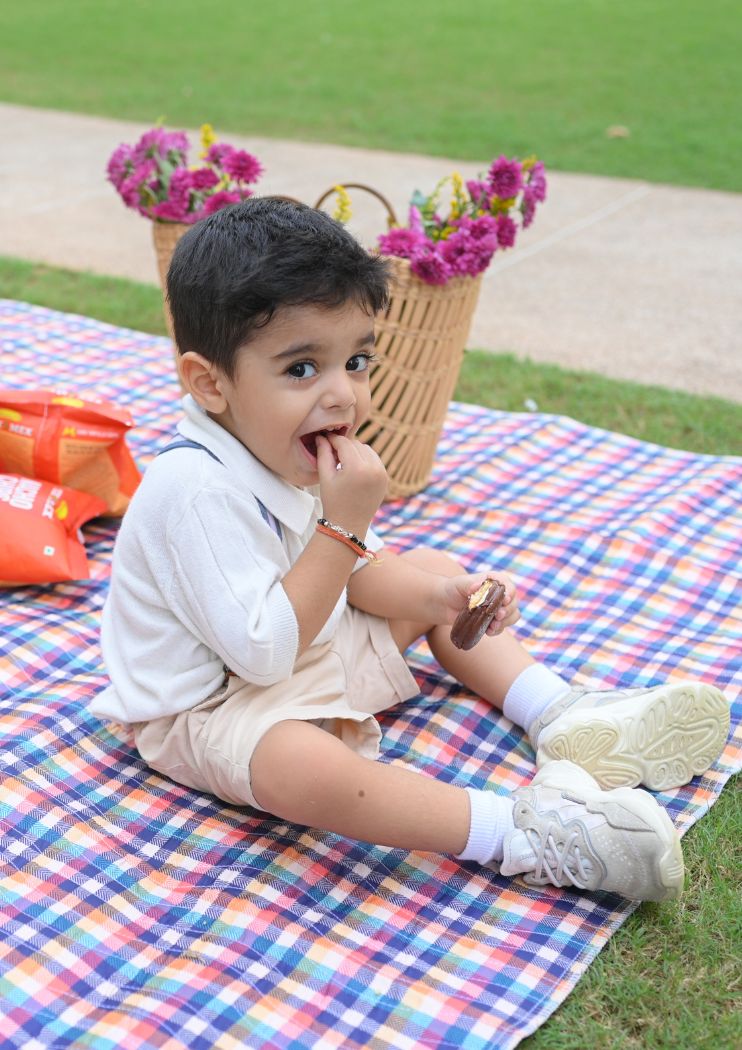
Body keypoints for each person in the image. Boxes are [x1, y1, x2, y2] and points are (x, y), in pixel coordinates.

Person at [91, 198, 730, 902]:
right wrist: (342, 525)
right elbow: (262, 652)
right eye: (302, 369)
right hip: (212, 706)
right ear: (210, 383)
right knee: (303, 767)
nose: (343, 395)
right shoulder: (191, 488)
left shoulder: (286, 449)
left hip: (299, 654)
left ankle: (562, 715)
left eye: (357, 360)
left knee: (430, 570)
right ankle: (519, 833)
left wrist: (439, 600)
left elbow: (361, 578)